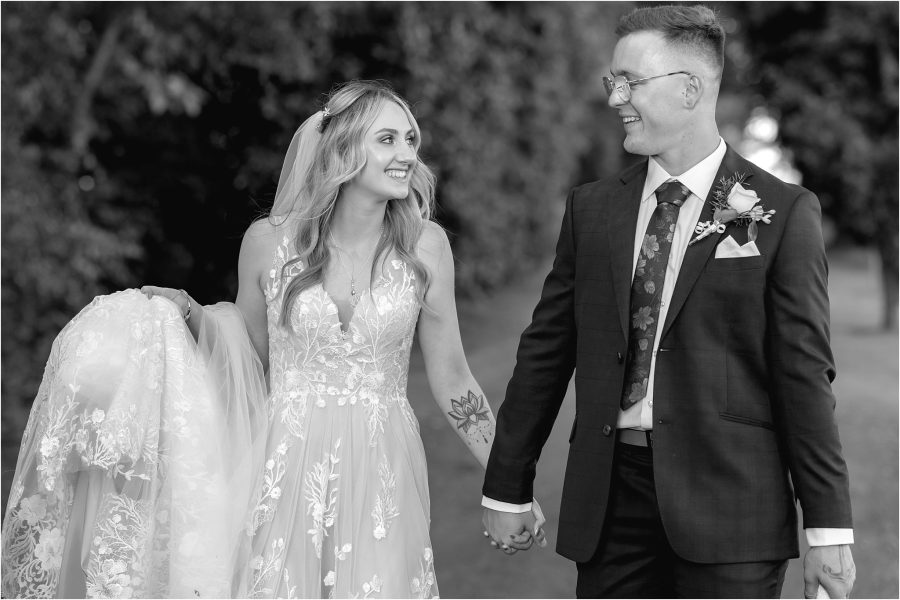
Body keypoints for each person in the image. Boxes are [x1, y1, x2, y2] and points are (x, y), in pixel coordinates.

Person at [2, 80, 543, 598]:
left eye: (410, 139)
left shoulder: (425, 248)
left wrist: (508, 482)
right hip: (284, 460)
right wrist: (191, 314)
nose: (406, 153)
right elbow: (247, 352)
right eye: (387, 139)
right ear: (341, 150)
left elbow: (453, 378)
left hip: (382, 466)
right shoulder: (269, 242)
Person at [481, 5, 855, 599]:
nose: (615, 98)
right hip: (609, 503)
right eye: (613, 81)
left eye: (630, 82)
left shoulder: (783, 213)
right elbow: (547, 352)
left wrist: (829, 527)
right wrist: (507, 484)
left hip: (732, 509)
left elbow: (804, 375)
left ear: (690, 89)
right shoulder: (592, 209)